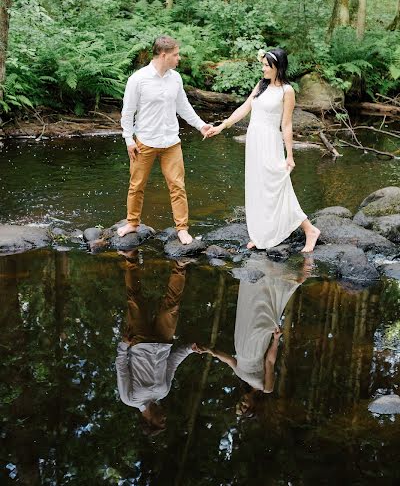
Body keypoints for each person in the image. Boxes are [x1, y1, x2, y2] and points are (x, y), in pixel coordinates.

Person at [205, 47, 320, 253]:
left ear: (278, 67)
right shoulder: (261, 85)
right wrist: (221, 126)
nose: (263, 68)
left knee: (276, 187)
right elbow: (244, 108)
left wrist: (290, 155)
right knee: (258, 187)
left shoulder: (287, 91)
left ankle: (310, 230)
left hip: (270, 143)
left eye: (267, 66)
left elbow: (286, 125)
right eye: (263, 65)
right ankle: (262, 235)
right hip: (254, 141)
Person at [118, 35, 212, 245]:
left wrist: (200, 125)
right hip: (144, 142)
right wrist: (128, 140)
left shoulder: (175, 78)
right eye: (176, 55)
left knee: (177, 186)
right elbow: (127, 112)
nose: (179, 58)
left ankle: (182, 229)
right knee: (136, 185)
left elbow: (183, 106)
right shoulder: (138, 79)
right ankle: (132, 223)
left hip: (171, 142)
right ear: (163, 55)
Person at [194, 256, 312, 417]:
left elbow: (229, 360)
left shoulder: (243, 380)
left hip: (241, 342)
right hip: (256, 347)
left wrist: (210, 351)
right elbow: (269, 362)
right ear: (253, 406)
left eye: (239, 405)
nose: (241, 402)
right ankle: (298, 273)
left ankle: (264, 270)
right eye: (244, 407)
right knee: (262, 313)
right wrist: (276, 340)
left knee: (250, 308)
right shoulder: (266, 388)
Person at [115, 253, 195, 435]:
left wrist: (124, 345)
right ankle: (180, 266)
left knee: (134, 300)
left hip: (138, 342)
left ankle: (131, 259)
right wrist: (189, 349)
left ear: (149, 421)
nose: (164, 418)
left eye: (161, 422)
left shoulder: (130, 399)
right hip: (163, 342)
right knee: (172, 306)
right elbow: (173, 363)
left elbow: (121, 368)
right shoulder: (163, 392)